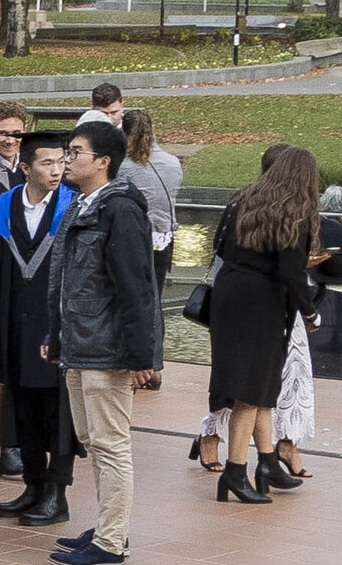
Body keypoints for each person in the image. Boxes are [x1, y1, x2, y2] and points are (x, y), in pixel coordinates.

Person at [51, 117, 161, 565]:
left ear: (103, 161)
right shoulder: (82, 204)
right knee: (93, 441)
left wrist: (140, 356)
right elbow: (66, 280)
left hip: (107, 349)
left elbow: (137, 286)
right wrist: (54, 335)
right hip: (79, 344)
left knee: (111, 444)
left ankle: (111, 543)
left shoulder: (120, 209)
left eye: (75, 152)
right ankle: (108, 527)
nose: (66, 160)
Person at [204, 144, 321, 497]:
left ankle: (267, 460)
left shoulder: (243, 201)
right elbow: (292, 271)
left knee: (262, 386)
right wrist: (310, 311)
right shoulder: (294, 212)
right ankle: (235, 471)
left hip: (229, 293)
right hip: (262, 302)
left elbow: (219, 245)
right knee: (251, 393)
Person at [0, 133, 75, 527]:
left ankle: (56, 493)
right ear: (27, 167)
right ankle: (33, 486)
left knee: (58, 412)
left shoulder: (72, 208)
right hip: (13, 326)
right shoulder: (3, 208)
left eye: (61, 162)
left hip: (56, 330)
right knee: (24, 409)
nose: (57, 170)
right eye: (47, 163)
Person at [123, 108, 181, 391]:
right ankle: (156, 367)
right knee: (155, 302)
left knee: (135, 301)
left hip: (137, 239)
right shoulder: (172, 163)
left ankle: (137, 365)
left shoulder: (123, 167)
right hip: (165, 238)